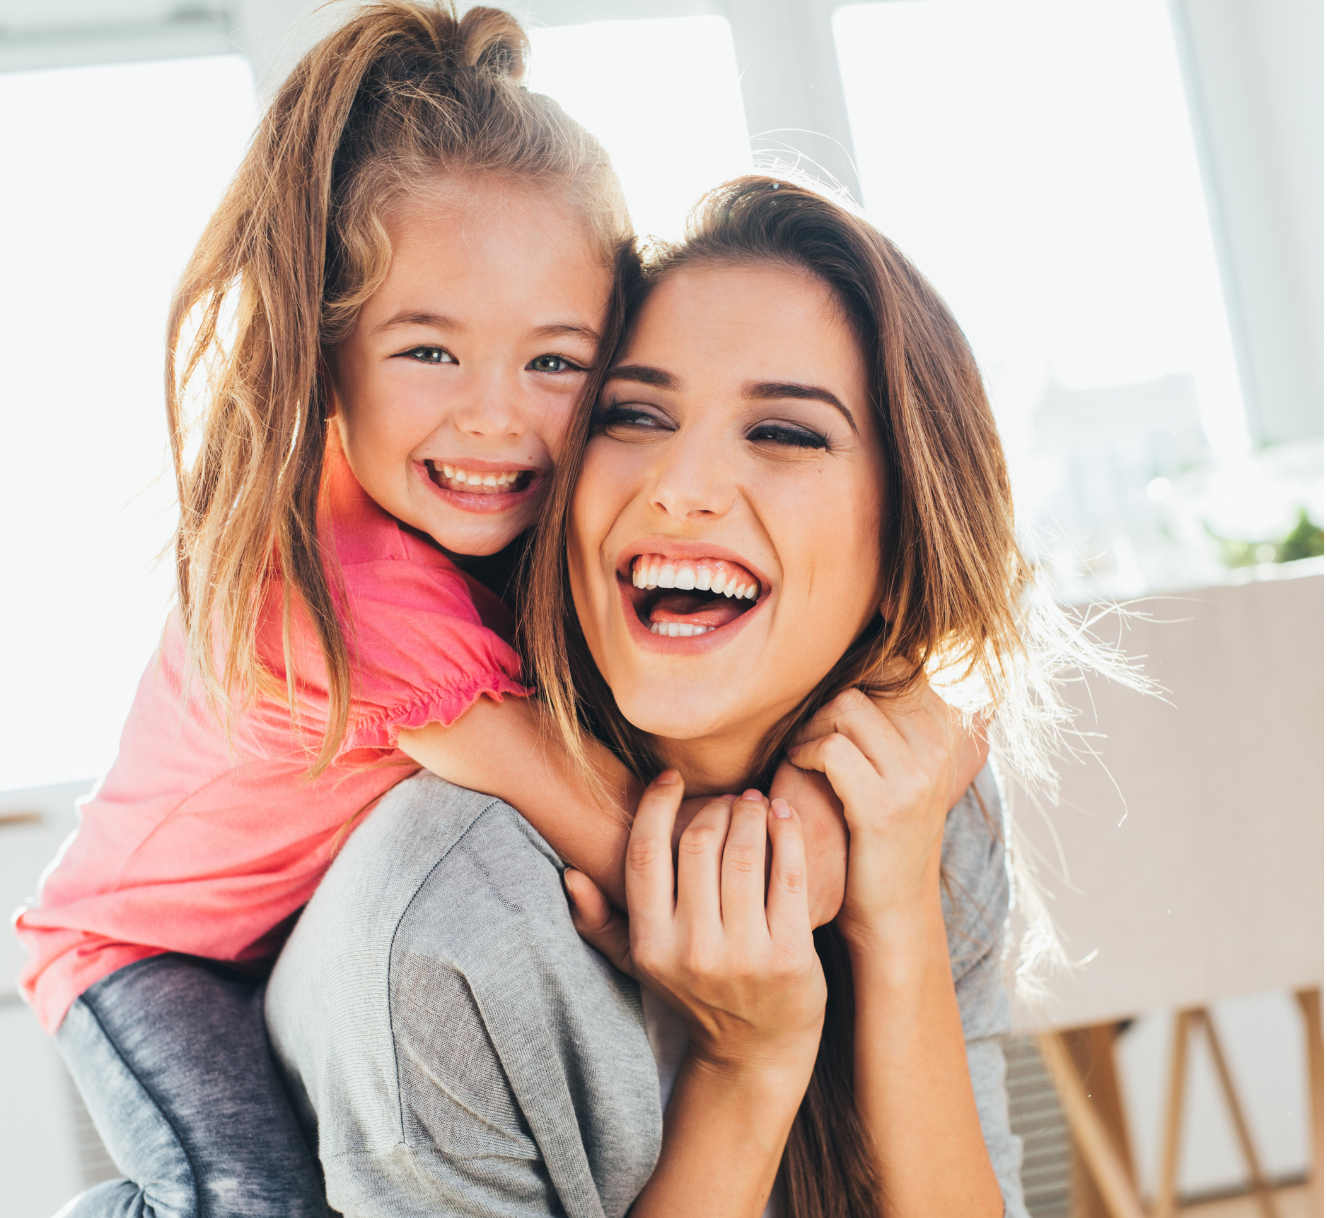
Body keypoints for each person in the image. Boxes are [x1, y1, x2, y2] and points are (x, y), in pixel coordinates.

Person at [9, 7, 825, 1216]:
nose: (495, 417)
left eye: (554, 363)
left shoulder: (475, 529)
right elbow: (589, 820)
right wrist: (795, 874)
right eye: (429, 354)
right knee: (244, 1197)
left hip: (269, 936)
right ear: (326, 348)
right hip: (143, 954)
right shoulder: (357, 586)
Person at [263, 176, 1119, 1216]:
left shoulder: (908, 809)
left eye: (785, 432)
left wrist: (889, 914)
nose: (680, 484)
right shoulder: (445, 929)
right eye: (631, 416)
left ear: (907, 533)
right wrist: (744, 1068)